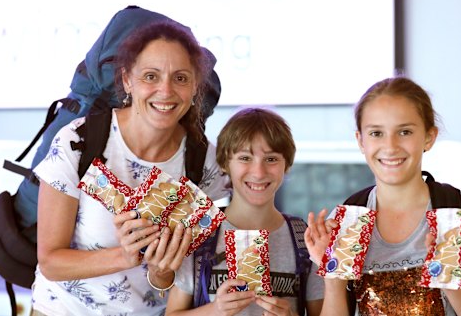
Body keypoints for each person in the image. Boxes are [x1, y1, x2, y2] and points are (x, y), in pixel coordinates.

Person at [31, 20, 230, 315]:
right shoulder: (81, 140)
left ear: (194, 87)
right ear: (127, 80)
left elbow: (177, 282)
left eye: (181, 78)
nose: (165, 91)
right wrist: (125, 256)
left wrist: (161, 272)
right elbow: (50, 262)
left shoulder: (204, 164)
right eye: (151, 76)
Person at [304, 77, 461, 316]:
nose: (390, 146)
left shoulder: (460, 216)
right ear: (361, 141)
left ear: (429, 137)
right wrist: (334, 278)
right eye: (377, 133)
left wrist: (449, 281)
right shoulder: (344, 223)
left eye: (405, 132)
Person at [165, 108, 324, 316]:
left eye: (271, 159)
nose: (258, 172)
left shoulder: (305, 238)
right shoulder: (198, 231)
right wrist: (214, 310)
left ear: (287, 164)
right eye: (245, 158)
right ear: (224, 163)